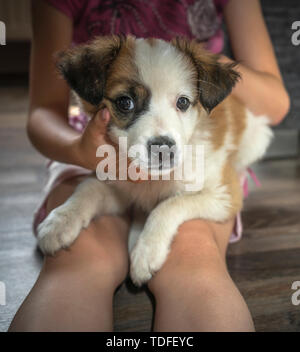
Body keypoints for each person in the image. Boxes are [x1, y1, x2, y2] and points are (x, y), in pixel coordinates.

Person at [9, 0, 290, 332]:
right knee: (79, 254)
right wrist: (81, 159)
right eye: (126, 102)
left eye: (182, 102)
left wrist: (160, 218)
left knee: (193, 256)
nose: (160, 136)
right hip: (85, 152)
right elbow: (46, 113)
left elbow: (223, 193)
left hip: (198, 163)